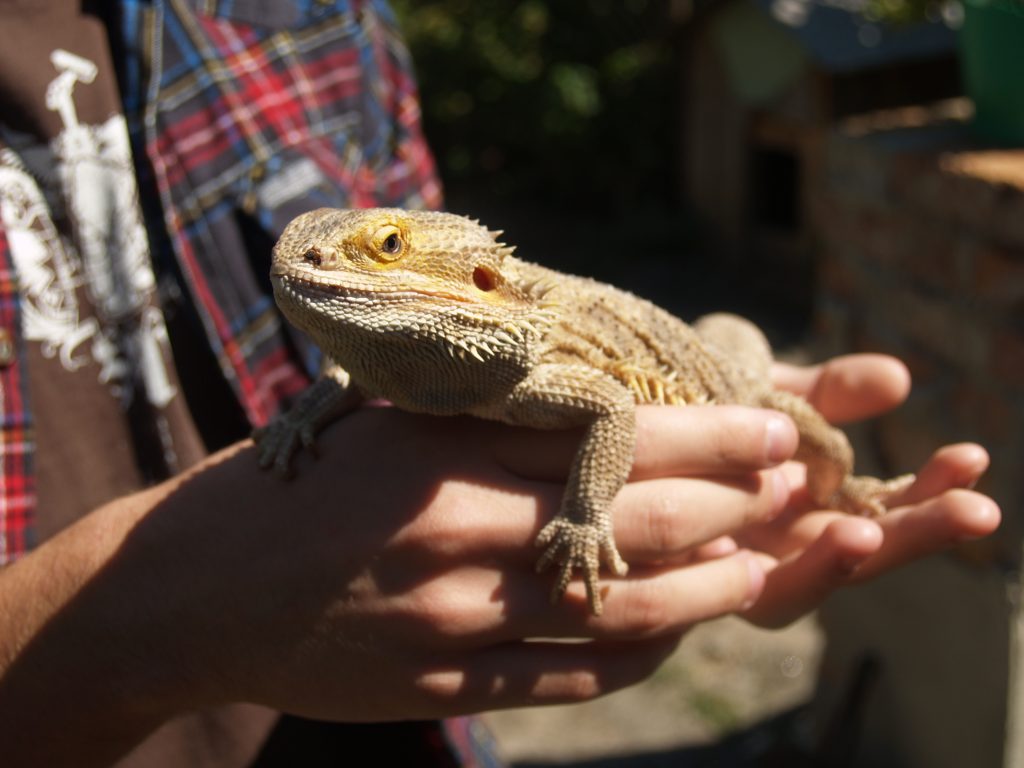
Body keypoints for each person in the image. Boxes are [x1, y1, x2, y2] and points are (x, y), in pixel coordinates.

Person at [0, 2, 1000, 766]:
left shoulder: (317, 18)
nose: (328, 269)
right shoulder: (416, 339)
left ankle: (854, 482)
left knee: (779, 421)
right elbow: (359, 368)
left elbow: (609, 402)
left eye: (385, 246)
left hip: (682, 384)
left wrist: (586, 513)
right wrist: (139, 614)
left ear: (476, 281)